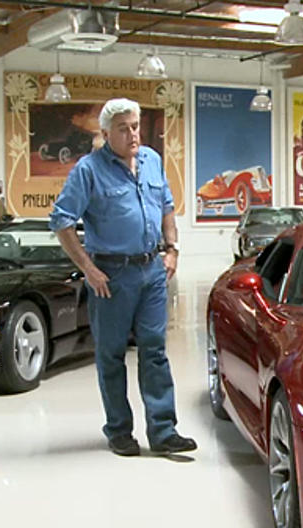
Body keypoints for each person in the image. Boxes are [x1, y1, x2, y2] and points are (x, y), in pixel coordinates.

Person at [50, 98, 196, 457]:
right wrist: (88, 267)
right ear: (105, 134)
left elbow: (166, 206)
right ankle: (119, 431)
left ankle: (163, 431)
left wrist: (172, 248)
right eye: (123, 128)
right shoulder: (89, 170)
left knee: (154, 351)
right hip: (111, 277)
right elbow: (62, 220)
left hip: (152, 272)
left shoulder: (152, 160)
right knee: (112, 356)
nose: (133, 134)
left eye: (135, 125)